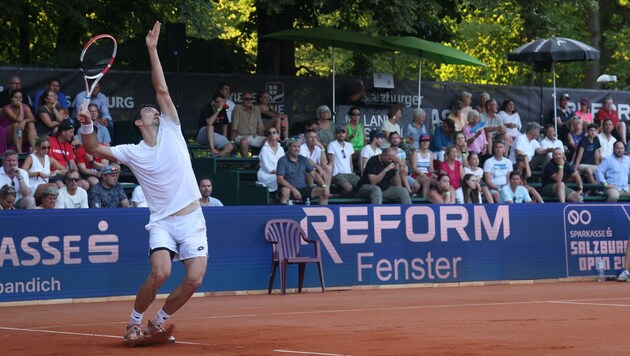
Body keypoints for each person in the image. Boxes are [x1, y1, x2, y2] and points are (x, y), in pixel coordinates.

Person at [78, 21, 208, 345]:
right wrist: (86, 124)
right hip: (162, 220)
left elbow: (161, 90)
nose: (155, 110)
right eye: (148, 110)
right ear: (139, 122)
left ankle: (158, 322)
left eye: (155, 109)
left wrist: (152, 50)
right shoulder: (131, 152)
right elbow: (93, 148)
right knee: (160, 273)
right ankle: (133, 322)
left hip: (192, 217)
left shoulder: (172, 129)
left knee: (194, 278)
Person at [276, 138, 330, 205]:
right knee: (285, 191)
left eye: (298, 146)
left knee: (323, 191)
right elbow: (279, 179)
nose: (296, 149)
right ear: (289, 147)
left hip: (303, 188)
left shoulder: (303, 159)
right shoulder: (283, 160)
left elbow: (314, 174)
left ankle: (323, 212)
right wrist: (293, 189)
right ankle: (284, 214)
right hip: (289, 189)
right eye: (294, 146)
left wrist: (324, 186)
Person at [21, 136, 66, 202]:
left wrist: (55, 172)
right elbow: (22, 173)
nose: (46, 150)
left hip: (45, 185)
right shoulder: (31, 158)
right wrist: (37, 174)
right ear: (37, 147)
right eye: (44, 147)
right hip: (32, 186)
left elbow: (64, 170)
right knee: (53, 186)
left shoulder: (49, 159)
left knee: (59, 185)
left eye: (48, 147)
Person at [196, 93, 234, 157]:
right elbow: (209, 122)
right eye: (219, 102)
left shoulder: (223, 110)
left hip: (215, 135)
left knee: (230, 146)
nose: (220, 104)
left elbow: (224, 125)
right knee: (210, 127)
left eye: (222, 102)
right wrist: (218, 110)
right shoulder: (207, 108)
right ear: (213, 102)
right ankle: (213, 150)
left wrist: (224, 137)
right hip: (203, 135)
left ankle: (217, 155)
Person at [0, 89, 36, 154]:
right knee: (17, 125)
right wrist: (21, 106)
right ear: (11, 98)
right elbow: (19, 120)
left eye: (20, 97)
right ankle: (19, 152)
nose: (18, 99)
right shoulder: (6, 108)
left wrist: (25, 120)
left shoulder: (26, 106)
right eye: (15, 97)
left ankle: (35, 150)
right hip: (7, 134)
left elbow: (33, 118)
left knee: (31, 124)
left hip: (20, 131)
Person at [231, 91, 265, 157]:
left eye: (251, 99)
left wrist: (262, 138)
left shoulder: (256, 109)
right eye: (246, 99)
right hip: (240, 136)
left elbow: (260, 127)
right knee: (244, 141)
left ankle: (260, 161)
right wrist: (232, 142)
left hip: (254, 136)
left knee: (267, 141)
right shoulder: (238, 108)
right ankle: (246, 162)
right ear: (242, 100)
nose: (249, 100)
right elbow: (234, 127)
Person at [327, 126, 360, 196]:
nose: (341, 134)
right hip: (338, 174)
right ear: (335, 135)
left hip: (349, 173)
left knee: (362, 184)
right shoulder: (332, 145)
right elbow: (331, 162)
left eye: (343, 132)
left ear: (345, 134)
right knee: (349, 188)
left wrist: (351, 172)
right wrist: (332, 175)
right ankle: (337, 196)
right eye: (338, 133)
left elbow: (350, 162)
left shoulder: (349, 145)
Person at [257, 128, 285, 193]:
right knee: (281, 178)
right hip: (266, 175)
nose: (272, 134)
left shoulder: (281, 149)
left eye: (274, 132)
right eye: (270, 133)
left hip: (279, 174)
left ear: (278, 135)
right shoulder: (264, 149)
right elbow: (266, 167)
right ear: (268, 136)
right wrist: (279, 173)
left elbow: (283, 163)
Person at [411, 134, 436, 199]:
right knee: (426, 181)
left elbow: (431, 168)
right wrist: (422, 174)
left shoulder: (430, 153)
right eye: (423, 141)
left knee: (439, 181)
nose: (425, 143)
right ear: (420, 142)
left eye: (427, 141)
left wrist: (433, 174)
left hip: (427, 173)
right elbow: (414, 168)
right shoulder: (416, 152)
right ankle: (425, 202)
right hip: (417, 174)